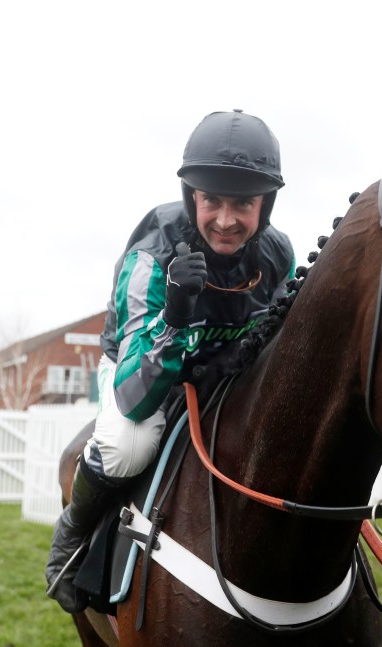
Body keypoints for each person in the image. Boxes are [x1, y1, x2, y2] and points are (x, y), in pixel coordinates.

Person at [45, 110, 295, 613]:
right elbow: (135, 399)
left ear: (264, 205)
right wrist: (177, 318)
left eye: (243, 203)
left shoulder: (276, 257)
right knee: (126, 444)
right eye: (212, 201)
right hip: (138, 367)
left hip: (225, 373)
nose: (226, 221)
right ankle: (69, 545)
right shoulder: (151, 256)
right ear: (191, 198)